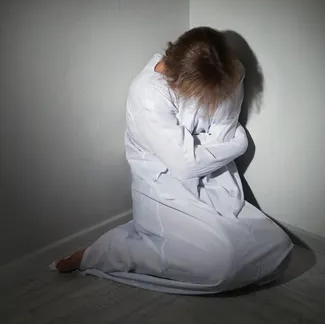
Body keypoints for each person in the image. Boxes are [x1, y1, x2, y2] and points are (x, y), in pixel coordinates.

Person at [53, 27, 292, 294]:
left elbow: (220, 131)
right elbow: (185, 164)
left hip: (216, 179)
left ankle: (182, 240)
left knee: (278, 247)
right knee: (222, 266)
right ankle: (110, 251)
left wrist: (214, 146)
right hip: (163, 187)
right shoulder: (147, 93)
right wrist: (240, 143)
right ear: (181, 79)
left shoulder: (229, 71)